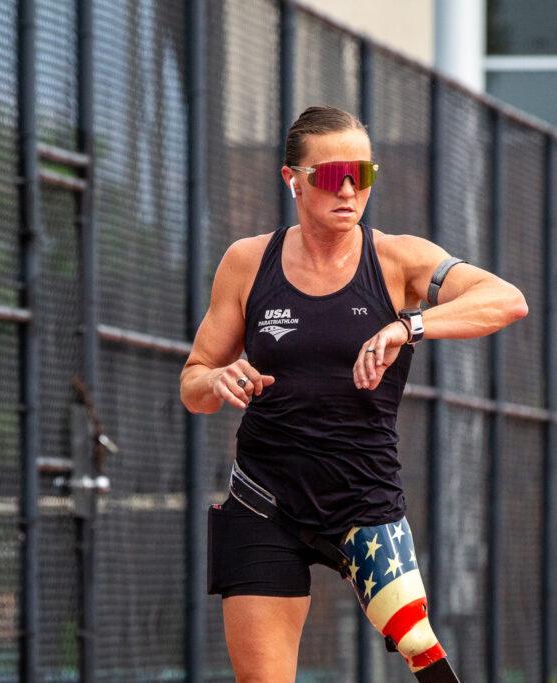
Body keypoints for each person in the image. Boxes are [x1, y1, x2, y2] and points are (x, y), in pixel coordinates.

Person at [179, 105, 527, 682]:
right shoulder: (247, 262)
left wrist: (408, 325)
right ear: (291, 178)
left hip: (363, 502)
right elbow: (193, 382)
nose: (348, 189)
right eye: (331, 174)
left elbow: (506, 299)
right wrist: (215, 379)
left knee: (422, 653)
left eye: (362, 175)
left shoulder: (397, 260)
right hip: (264, 501)